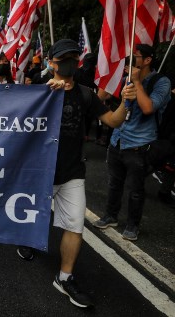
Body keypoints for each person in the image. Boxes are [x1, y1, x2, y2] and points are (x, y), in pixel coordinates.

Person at [14, 39, 136, 308]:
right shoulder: (38, 90)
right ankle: (27, 239)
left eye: (72, 58)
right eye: (62, 59)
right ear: (51, 63)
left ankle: (65, 277)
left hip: (72, 173)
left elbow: (112, 121)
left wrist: (127, 103)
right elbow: (5, 115)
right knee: (33, 215)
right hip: (40, 172)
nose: (68, 63)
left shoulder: (85, 94)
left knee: (74, 226)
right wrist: (47, 92)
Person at [94, 44, 171, 241]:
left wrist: (136, 82)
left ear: (147, 60)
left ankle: (132, 225)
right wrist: (111, 72)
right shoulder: (124, 78)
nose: (130, 61)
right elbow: (101, 96)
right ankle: (111, 216)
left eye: (135, 57)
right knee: (114, 183)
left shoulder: (161, 82)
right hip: (118, 139)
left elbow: (148, 108)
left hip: (140, 144)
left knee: (136, 189)